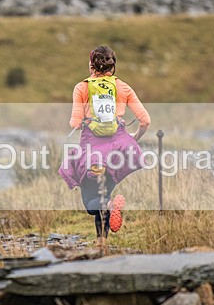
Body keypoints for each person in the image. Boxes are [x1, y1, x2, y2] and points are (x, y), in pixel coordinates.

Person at [59, 45, 151, 250]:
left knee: (91, 202)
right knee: (104, 195)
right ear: (113, 65)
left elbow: (75, 123)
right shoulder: (123, 87)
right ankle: (101, 241)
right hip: (117, 149)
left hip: (92, 151)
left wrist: (85, 119)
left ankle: (109, 208)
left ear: (91, 65)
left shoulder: (82, 88)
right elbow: (145, 120)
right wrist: (134, 137)